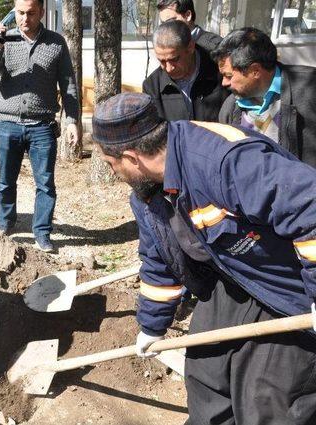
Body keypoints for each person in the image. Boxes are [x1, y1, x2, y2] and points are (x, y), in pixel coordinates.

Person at [92, 92, 316, 424]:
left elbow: (309, 207)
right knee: (205, 373)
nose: (113, 174)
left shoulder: (223, 161)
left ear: (131, 156)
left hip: (290, 286)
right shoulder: (147, 194)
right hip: (236, 277)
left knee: (266, 397)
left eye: (112, 165)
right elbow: (160, 258)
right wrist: (151, 326)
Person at [0, 0, 80, 253]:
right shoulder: (7, 39)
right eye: (21, 13)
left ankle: (42, 233)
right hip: (8, 125)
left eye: (31, 13)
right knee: (5, 181)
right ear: (15, 12)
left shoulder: (56, 43)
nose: (25, 19)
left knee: (45, 184)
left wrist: (72, 121)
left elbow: (69, 85)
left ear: (41, 12)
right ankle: (5, 224)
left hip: (42, 126)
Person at [214, 27, 316, 166]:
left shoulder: (309, 88)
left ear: (255, 71)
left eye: (229, 76)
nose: (224, 82)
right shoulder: (230, 108)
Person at [143, 20, 228, 122]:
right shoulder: (152, 86)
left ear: (190, 47)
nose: (169, 68)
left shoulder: (221, 72)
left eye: (174, 59)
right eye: (162, 61)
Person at [156, 0, 222, 52]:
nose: (165, 28)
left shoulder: (215, 46)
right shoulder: (166, 44)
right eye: (163, 24)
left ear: (188, 15)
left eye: (170, 21)